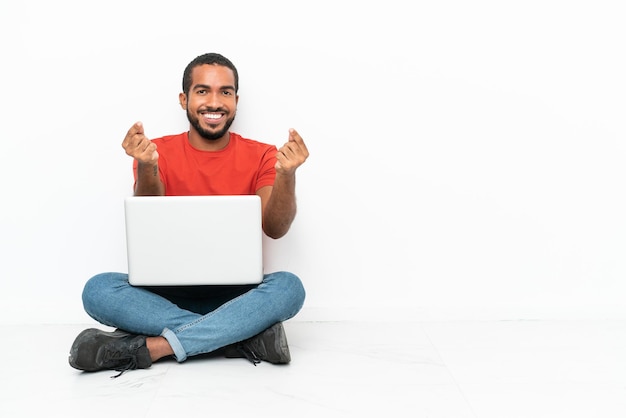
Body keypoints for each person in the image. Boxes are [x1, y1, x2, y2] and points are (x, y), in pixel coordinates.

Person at [68, 53, 309, 376]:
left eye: (225, 92)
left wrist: (287, 175)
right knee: (97, 290)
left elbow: (276, 228)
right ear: (184, 99)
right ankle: (238, 339)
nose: (215, 102)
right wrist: (148, 166)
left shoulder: (263, 154)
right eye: (202, 91)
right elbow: (149, 217)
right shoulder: (155, 152)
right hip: (162, 298)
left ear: (236, 100)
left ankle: (153, 348)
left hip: (237, 296)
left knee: (289, 287)